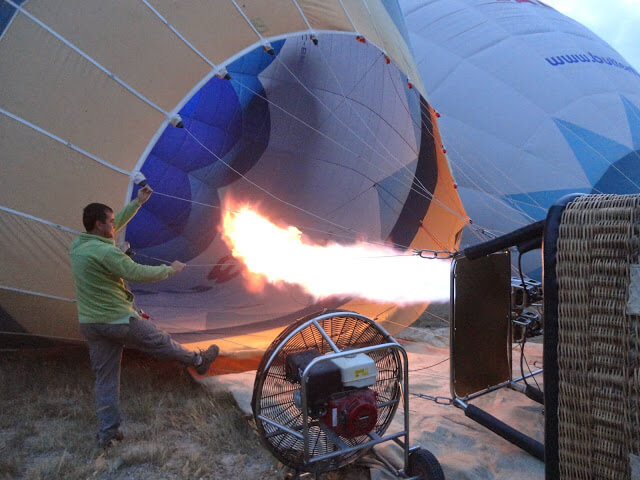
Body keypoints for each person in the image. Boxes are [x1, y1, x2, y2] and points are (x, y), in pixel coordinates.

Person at [69, 184, 219, 448]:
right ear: (98, 224)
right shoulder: (107, 252)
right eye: (111, 221)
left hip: (91, 324)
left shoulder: (78, 246)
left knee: (105, 379)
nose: (114, 225)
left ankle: (108, 434)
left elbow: (110, 238)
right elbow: (138, 273)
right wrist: (170, 270)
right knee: (161, 342)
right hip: (117, 321)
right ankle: (198, 360)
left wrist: (137, 203)